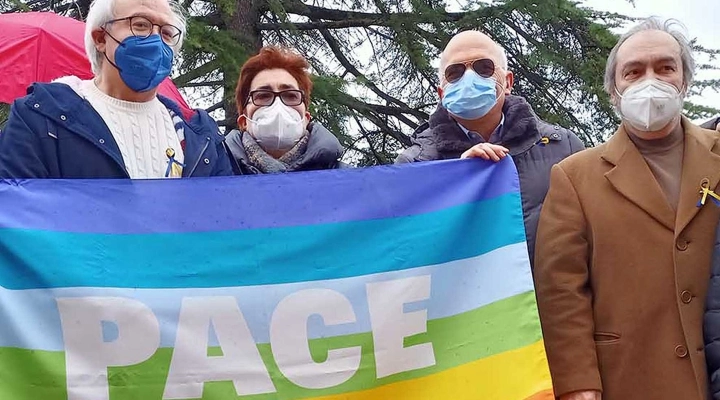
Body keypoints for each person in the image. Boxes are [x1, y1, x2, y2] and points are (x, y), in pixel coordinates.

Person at [534, 18, 720, 400]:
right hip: (628, 380)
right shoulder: (574, 176)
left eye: (665, 67)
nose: (648, 80)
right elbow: (561, 294)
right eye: (633, 71)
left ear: (684, 80)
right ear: (614, 90)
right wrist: (578, 384)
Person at [395, 30, 584, 267]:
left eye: (484, 68)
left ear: (507, 82)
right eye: (455, 73)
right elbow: (406, 255)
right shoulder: (413, 166)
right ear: (442, 94)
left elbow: (593, 241)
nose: (469, 78)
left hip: (550, 301)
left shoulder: (562, 147)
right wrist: (456, 178)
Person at [0, 0, 232, 178]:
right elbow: (21, 223)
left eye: (166, 33)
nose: (155, 40)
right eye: (140, 25)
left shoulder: (201, 136)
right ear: (101, 38)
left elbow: (223, 222)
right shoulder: (40, 119)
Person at [225, 46, 345, 174]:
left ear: (306, 119)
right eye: (263, 95)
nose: (278, 104)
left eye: (290, 95)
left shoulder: (348, 180)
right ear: (244, 122)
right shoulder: (215, 177)